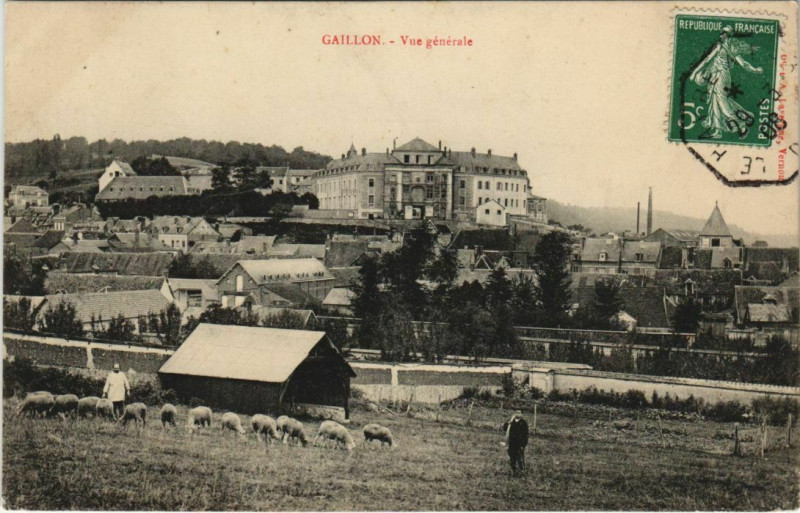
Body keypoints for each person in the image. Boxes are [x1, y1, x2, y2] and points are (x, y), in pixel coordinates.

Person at [689, 26, 763, 139]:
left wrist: (694, 72)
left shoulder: (719, 46)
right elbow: (743, 63)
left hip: (720, 76)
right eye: (721, 33)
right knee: (715, 102)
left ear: (727, 35)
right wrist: (755, 69)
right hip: (719, 76)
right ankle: (718, 131)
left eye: (723, 33)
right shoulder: (731, 48)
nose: (720, 35)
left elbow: (707, 60)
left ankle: (742, 126)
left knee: (722, 103)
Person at [503, 410, 529, 475]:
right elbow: (505, 428)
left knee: (520, 458)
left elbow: (525, 435)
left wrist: (523, 445)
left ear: (521, 415)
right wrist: (509, 422)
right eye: (516, 413)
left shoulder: (523, 423)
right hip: (512, 443)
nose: (517, 414)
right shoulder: (511, 422)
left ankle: (522, 471)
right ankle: (513, 471)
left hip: (519, 444)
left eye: (519, 413)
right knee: (512, 457)